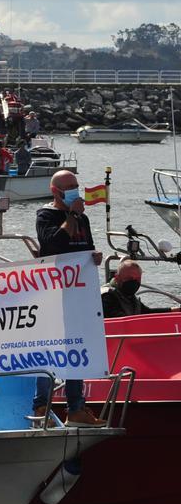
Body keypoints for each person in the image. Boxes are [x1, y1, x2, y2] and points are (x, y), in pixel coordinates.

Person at [32, 170, 105, 426]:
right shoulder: (46, 215)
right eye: (69, 186)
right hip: (53, 295)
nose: (75, 189)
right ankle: (41, 406)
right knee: (49, 349)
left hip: (78, 295)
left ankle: (76, 408)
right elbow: (52, 245)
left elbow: (85, 249)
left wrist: (93, 257)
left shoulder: (82, 219)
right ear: (55, 191)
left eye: (76, 184)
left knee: (77, 348)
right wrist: (72, 214)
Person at [101, 259, 181, 318]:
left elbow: (147, 312)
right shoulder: (107, 296)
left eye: (137, 279)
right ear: (117, 278)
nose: (134, 282)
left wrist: (177, 310)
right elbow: (119, 319)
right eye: (130, 278)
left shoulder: (129, 297)